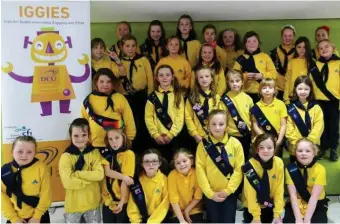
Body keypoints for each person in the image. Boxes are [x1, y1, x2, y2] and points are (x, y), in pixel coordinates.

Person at [196, 109, 244, 223]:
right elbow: (200, 169)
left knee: (228, 220)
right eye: (213, 124)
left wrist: (228, 191)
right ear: (208, 125)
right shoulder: (203, 145)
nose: (217, 127)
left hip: (229, 194)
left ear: (226, 125)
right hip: (210, 194)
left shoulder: (235, 144)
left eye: (221, 124)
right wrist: (209, 193)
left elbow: (239, 170)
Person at [59, 118, 104, 223]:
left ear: (89, 135)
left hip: (93, 203)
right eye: (76, 136)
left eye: (84, 135)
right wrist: (89, 178)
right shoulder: (66, 156)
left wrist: (78, 174)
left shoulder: (95, 153)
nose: (80, 139)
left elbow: (99, 175)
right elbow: (68, 182)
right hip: (73, 205)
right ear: (71, 136)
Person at [81, 68, 136, 150]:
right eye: (102, 81)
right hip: (95, 144)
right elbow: (84, 121)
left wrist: (130, 139)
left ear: (113, 83)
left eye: (108, 82)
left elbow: (129, 119)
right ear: (96, 82)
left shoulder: (120, 98)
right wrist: (85, 140)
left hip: (116, 144)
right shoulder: (89, 100)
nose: (105, 85)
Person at [1, 136, 52, 223]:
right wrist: (14, 219)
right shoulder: (4, 171)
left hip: (39, 216)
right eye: (20, 151)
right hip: (15, 217)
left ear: (34, 153)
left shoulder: (41, 168)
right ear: (12, 152)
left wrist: (37, 216)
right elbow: (2, 197)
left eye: (29, 152)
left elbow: (46, 194)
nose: (24, 155)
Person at [284, 138, 329, 223]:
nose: (303, 154)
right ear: (295, 153)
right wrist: (298, 218)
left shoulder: (320, 169)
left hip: (315, 203)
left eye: (308, 151)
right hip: (297, 203)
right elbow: (293, 196)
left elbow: (314, 197)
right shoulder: (290, 169)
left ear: (314, 153)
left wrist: (307, 220)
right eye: (300, 151)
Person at [145, 65, 185, 161]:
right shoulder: (152, 97)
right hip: (157, 138)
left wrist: (171, 135)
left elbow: (180, 118)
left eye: (167, 75)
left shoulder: (178, 95)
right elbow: (148, 118)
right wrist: (155, 134)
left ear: (172, 77)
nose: (164, 77)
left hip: (174, 136)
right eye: (161, 75)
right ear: (157, 78)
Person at [242, 133, 284, 224]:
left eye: (269, 147)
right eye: (261, 147)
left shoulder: (279, 163)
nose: (265, 151)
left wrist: (277, 213)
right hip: (252, 208)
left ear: (274, 149)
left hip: (270, 205)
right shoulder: (250, 165)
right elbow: (250, 193)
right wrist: (256, 217)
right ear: (257, 150)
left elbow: (279, 190)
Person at [309, 39, 340, 161]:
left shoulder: (338, 63)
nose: (324, 49)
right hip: (319, 100)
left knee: (333, 125)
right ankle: (322, 148)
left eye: (326, 46)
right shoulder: (316, 65)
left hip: (334, 100)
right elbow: (311, 82)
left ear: (333, 47)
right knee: (321, 125)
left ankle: (333, 148)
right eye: (321, 48)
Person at [285, 76, 324, 162]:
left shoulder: (316, 108)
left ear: (310, 90)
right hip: (295, 147)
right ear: (295, 89)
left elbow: (319, 127)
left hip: (311, 147)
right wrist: (298, 144)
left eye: (306, 89)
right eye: (300, 89)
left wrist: (309, 143)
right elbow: (288, 128)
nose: (303, 92)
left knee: (311, 170)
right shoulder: (291, 108)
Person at [127, 149, 169, 223]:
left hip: (159, 220)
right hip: (140, 220)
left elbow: (165, 205)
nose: (151, 164)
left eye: (154, 161)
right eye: (147, 162)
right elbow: (132, 204)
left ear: (159, 163)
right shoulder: (137, 181)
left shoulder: (165, 180)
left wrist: (152, 222)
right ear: (142, 164)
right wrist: (136, 221)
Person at [233, 31, 276, 103]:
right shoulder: (240, 59)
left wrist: (262, 76)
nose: (252, 43)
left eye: (254, 41)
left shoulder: (265, 57)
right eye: (248, 41)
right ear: (245, 44)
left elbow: (274, 74)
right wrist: (245, 76)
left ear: (258, 43)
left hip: (263, 93)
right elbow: (233, 76)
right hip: (245, 94)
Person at [220, 69, 254, 160]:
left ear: (242, 82)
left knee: (245, 158)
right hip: (231, 135)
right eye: (231, 81)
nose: (235, 84)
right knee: (232, 159)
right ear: (227, 82)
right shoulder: (225, 100)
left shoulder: (248, 99)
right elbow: (222, 119)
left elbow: (252, 118)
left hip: (246, 135)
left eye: (237, 81)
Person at [251, 78, 287, 157]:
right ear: (260, 91)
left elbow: (283, 125)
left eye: (270, 88)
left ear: (274, 90)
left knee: (276, 162)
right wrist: (265, 138)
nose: (267, 90)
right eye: (264, 88)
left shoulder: (281, 104)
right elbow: (255, 125)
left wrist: (279, 141)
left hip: (276, 139)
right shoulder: (256, 107)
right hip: (261, 139)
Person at [168, 148, 204, 223]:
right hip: (177, 212)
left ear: (191, 161)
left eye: (184, 161)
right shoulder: (172, 175)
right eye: (178, 163)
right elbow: (173, 200)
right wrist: (181, 220)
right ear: (174, 165)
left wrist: (187, 210)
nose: (182, 165)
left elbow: (198, 196)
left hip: (194, 210)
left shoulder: (197, 173)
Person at [283, 36, 314, 104]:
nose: (302, 49)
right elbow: (287, 80)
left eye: (304, 47)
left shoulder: (312, 62)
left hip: (307, 97)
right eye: (299, 47)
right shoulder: (291, 62)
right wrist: (286, 98)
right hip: (292, 96)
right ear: (295, 48)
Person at [270, 25, 296, 100]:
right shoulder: (273, 52)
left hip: (293, 89)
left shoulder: (298, 52)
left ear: (294, 36)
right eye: (285, 36)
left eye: (290, 35)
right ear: (282, 36)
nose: (287, 38)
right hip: (278, 89)